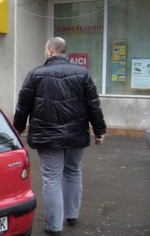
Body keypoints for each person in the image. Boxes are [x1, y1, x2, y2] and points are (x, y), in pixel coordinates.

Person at [13, 37, 107, 236]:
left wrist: (17, 129)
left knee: (52, 179)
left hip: (47, 137)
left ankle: (55, 225)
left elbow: (23, 106)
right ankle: (72, 215)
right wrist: (100, 131)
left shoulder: (36, 75)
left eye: (44, 49)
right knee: (73, 172)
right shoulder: (82, 74)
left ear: (49, 51)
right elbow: (93, 105)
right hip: (76, 135)